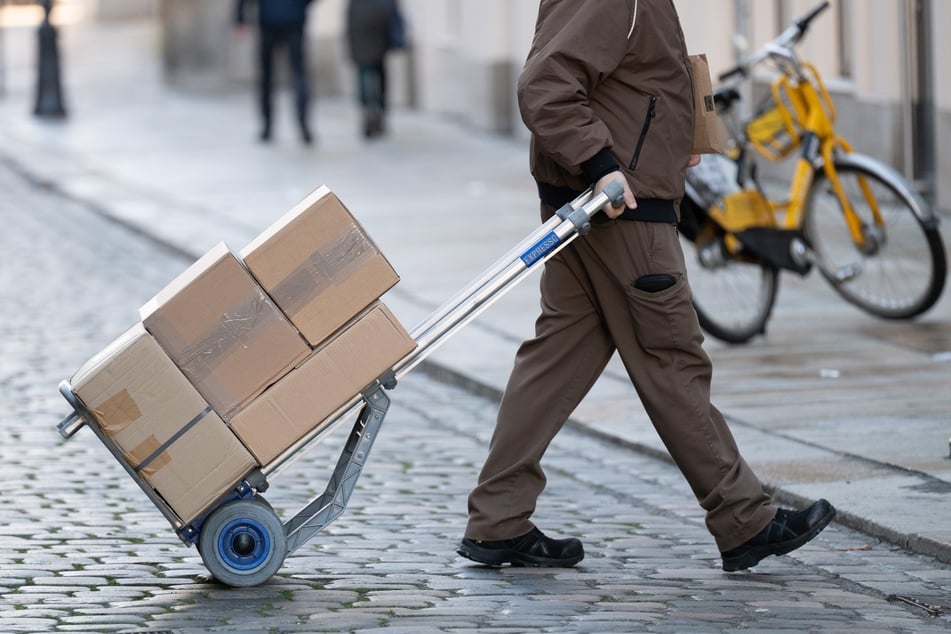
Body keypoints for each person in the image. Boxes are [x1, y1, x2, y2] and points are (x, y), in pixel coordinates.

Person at [456, 0, 835, 573]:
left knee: (555, 359)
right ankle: (744, 519)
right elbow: (546, 84)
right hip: (621, 209)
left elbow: (630, 77)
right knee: (672, 358)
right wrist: (602, 162)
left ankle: (497, 520)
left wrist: (673, 133)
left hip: (593, 205)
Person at [236, 0, 316, 144]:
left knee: (268, 76)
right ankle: (302, 123)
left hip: (270, 18)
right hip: (292, 18)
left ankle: (267, 126)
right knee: (298, 74)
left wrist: (240, 17)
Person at [346, 0, 405, 138]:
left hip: (363, 28)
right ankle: (377, 110)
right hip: (375, 29)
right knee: (377, 71)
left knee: (365, 71)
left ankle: (369, 110)